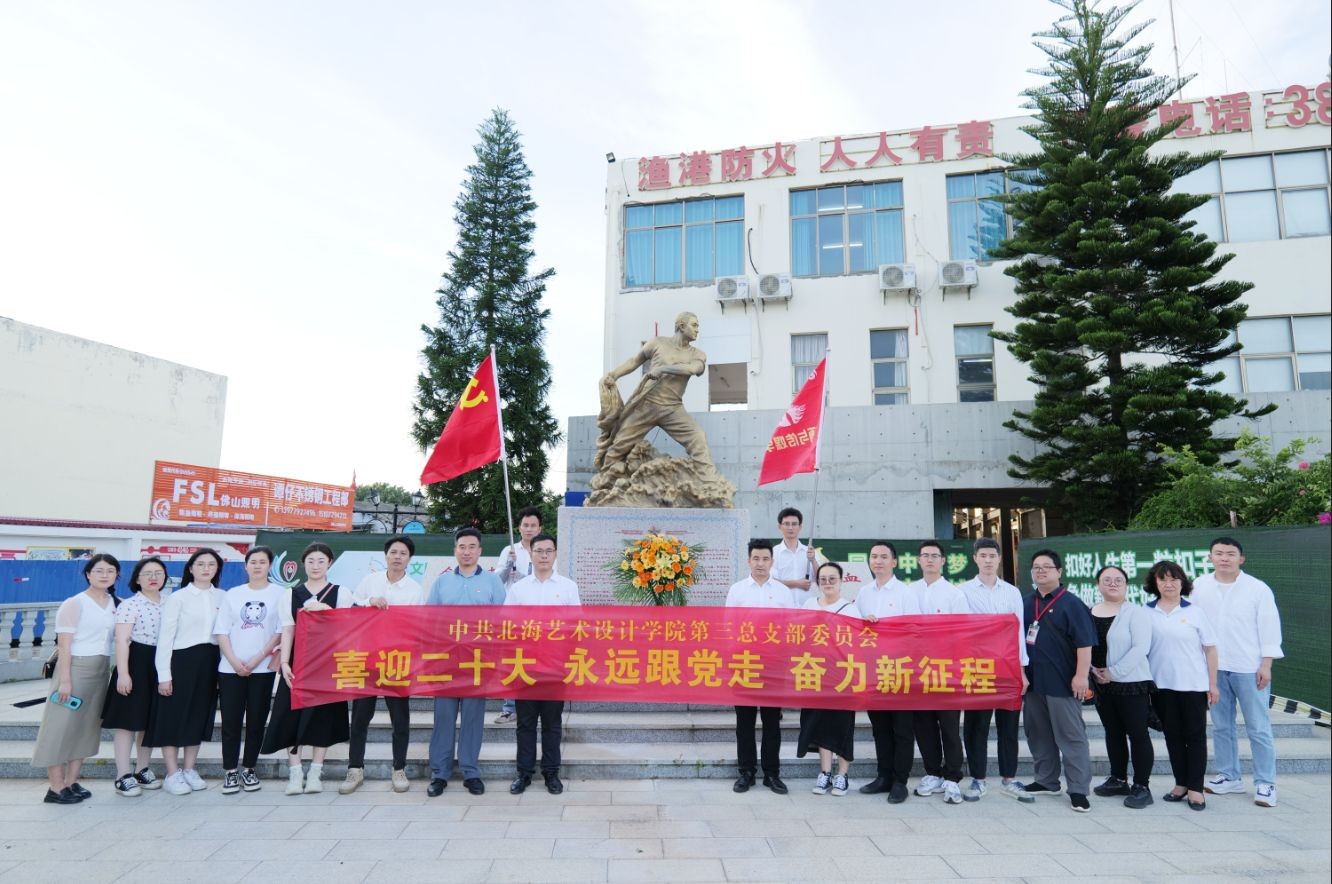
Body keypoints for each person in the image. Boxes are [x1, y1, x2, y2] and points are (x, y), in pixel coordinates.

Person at [1191, 536, 1283, 807]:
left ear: (1241, 558)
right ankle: (1229, 776)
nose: (1224, 558)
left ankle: (1265, 783)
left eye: (1230, 554)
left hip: (1249, 668)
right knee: (1221, 726)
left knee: (1258, 727)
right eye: (1219, 553)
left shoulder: (1257, 588)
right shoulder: (1199, 586)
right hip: (1215, 669)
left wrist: (1266, 664)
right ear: (1210, 557)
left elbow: (1269, 627)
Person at [260, 542, 353, 796]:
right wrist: (285, 663)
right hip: (297, 663)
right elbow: (288, 630)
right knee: (290, 715)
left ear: (330, 563)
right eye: (311, 561)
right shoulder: (291, 594)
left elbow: (347, 628)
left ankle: (315, 772)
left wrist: (328, 611)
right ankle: (295, 772)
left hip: (327, 663)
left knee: (322, 717)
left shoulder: (341, 592)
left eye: (321, 561)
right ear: (303, 564)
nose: (316, 566)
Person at [32, 553, 119, 804]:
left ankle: (71, 782)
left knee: (85, 728)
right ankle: (55, 787)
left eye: (110, 571)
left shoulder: (115, 603)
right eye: (99, 570)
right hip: (75, 669)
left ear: (116, 575)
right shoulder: (75, 603)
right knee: (60, 727)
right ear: (88, 574)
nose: (104, 575)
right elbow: (65, 646)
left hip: (100, 670)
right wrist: (65, 681)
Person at [342, 535, 425, 795]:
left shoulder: (414, 589)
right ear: (386, 555)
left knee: (400, 719)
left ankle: (399, 768)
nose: (397, 557)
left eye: (403, 553)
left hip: (396, 660)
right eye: (393, 552)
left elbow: (416, 626)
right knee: (360, 717)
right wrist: (369, 602)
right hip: (366, 657)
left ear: (409, 559)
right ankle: (355, 768)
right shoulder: (370, 581)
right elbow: (351, 608)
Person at [426, 528, 505, 797]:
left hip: (479, 660)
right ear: (455, 550)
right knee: (444, 717)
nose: (467, 551)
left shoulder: (493, 582)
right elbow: (429, 621)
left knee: (473, 718)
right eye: (462, 546)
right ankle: (440, 773)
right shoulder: (442, 582)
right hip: (446, 660)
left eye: (472, 546)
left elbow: (503, 621)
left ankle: (470, 771)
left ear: (480, 551)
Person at [956, 538, 1033, 803]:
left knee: (1008, 727)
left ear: (999, 559)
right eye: (983, 555)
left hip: (1008, 667)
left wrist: (1022, 671)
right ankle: (978, 779)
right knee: (976, 727)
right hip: (977, 668)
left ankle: (1009, 779)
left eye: (992, 556)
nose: (988, 560)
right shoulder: (962, 591)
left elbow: (1019, 632)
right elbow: (964, 630)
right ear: (975, 559)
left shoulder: (1011, 592)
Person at [505, 533, 581, 795]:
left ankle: (551, 773)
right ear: (531, 554)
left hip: (554, 666)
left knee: (552, 723)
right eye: (539, 551)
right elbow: (506, 624)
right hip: (524, 666)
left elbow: (576, 626)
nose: (544, 556)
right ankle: (524, 773)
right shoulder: (519, 589)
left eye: (549, 551)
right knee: (525, 724)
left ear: (555, 554)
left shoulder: (568, 587)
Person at [146, 548, 225, 796]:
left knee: (198, 716)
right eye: (200, 564)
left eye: (211, 564)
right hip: (181, 661)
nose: (205, 569)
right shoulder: (178, 598)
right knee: (172, 717)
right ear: (191, 568)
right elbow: (165, 638)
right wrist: (164, 675)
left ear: (217, 569)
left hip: (210, 661)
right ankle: (172, 773)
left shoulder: (223, 597)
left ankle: (190, 769)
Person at [1021, 549, 1096, 812]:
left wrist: (1081, 676)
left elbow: (1085, 644)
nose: (1041, 571)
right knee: (1038, 734)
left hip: (1063, 682)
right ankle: (1046, 780)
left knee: (1071, 737)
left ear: (1059, 572)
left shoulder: (1072, 604)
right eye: (1036, 567)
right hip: (1033, 682)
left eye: (1047, 567)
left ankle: (1078, 789)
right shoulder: (1026, 602)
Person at [596, 311, 712, 473]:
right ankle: (607, 481)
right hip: (646, 404)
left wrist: (662, 369)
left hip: (672, 408)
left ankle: (707, 478)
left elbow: (693, 369)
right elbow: (634, 361)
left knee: (698, 438)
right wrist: (613, 375)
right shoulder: (657, 343)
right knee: (618, 446)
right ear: (681, 326)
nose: (697, 329)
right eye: (694, 325)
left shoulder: (697, 354)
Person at [1145, 560, 1219, 811]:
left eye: (1174, 579)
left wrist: (1213, 684)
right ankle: (1181, 783)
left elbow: (1210, 649)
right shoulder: (1145, 612)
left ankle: (1196, 788)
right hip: (1161, 685)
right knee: (1172, 736)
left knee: (1195, 736)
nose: (1169, 584)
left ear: (1182, 582)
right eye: (1163, 579)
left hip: (1193, 685)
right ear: (1155, 583)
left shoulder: (1195, 612)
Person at [724, 539, 795, 795]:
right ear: (748, 561)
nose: (761, 564)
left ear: (772, 561)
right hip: (744, 662)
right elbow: (728, 626)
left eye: (765, 559)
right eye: (756, 558)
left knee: (772, 721)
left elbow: (791, 627)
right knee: (744, 722)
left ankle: (771, 773)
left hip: (774, 664)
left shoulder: (783, 592)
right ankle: (746, 772)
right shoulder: (737, 590)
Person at [214, 546, 284, 795]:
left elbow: (279, 632)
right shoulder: (233, 594)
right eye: (253, 562)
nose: (257, 566)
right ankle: (230, 771)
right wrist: (234, 661)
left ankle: (249, 768)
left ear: (269, 566)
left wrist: (256, 659)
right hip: (230, 669)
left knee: (256, 721)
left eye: (262, 562)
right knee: (231, 722)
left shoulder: (280, 594)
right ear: (246, 566)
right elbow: (221, 631)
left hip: (262, 669)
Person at [855, 541, 919, 804]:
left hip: (900, 668)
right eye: (874, 556)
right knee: (880, 727)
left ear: (894, 562)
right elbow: (855, 630)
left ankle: (900, 781)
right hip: (873, 670)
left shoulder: (906, 593)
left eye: (883, 557)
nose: (878, 561)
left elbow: (914, 631)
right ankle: (883, 776)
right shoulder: (863, 593)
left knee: (902, 729)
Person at [1088, 564, 1156, 809]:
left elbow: (1140, 648)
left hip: (1130, 683)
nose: (1113, 583)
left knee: (1138, 734)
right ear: (1098, 585)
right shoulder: (1090, 611)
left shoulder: (1136, 613)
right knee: (1112, 732)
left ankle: (1142, 786)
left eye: (1118, 580)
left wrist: (1113, 673)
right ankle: (1118, 779)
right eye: (1107, 580)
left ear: (1126, 585)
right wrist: (1093, 671)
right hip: (1101, 684)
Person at [102, 556, 169, 797]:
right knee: (127, 722)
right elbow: (122, 640)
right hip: (135, 662)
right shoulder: (130, 605)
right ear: (137, 579)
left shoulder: (170, 603)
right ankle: (122, 775)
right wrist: (123, 673)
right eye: (147, 573)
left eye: (158, 573)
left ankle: (142, 769)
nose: (153, 577)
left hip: (160, 663)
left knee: (149, 720)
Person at [909, 540, 970, 805]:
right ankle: (932, 772)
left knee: (949, 726)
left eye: (935, 555)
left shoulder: (955, 594)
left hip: (947, 669)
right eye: (925, 555)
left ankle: (953, 776)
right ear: (918, 560)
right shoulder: (909, 592)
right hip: (916, 669)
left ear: (943, 561)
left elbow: (963, 632)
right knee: (923, 725)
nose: (930, 560)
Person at [798, 562, 860, 797]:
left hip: (843, 675)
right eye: (822, 579)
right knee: (820, 723)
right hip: (815, 673)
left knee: (843, 725)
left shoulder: (850, 609)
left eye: (832, 579)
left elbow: (859, 643)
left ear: (841, 581)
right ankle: (824, 773)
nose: (827, 583)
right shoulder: (809, 605)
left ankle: (842, 775)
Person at [494, 506, 544, 725]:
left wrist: (524, 576)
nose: (529, 529)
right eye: (525, 525)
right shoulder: (509, 550)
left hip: (537, 615)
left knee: (536, 661)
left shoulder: (545, 549)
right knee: (512, 661)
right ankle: (510, 708)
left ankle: (535, 706)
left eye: (533, 525)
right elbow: (497, 581)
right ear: (519, 527)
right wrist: (508, 565)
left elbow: (546, 579)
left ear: (540, 528)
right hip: (513, 614)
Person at [771, 507, 818, 607]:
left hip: (806, 606)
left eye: (794, 524)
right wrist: (797, 583)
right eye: (786, 524)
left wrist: (813, 560)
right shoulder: (774, 552)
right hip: (782, 606)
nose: (790, 528)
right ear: (779, 526)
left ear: (800, 527)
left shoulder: (809, 551)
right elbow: (770, 581)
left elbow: (820, 578)